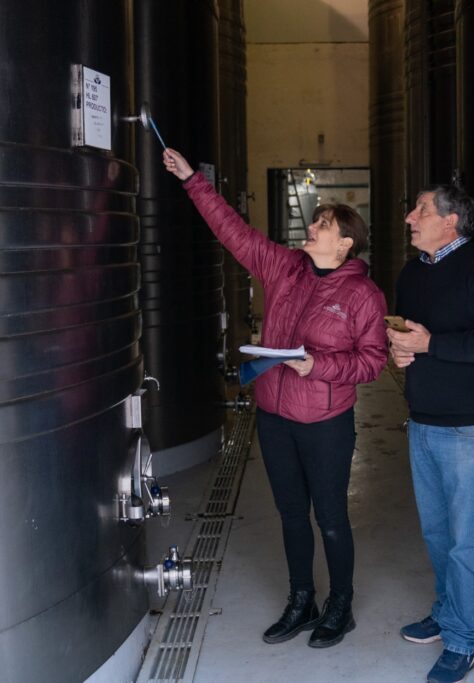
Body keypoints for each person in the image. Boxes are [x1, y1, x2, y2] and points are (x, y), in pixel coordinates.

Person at [162, 148, 388, 648]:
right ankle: (301, 598)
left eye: (324, 223)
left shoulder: (364, 296)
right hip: (275, 417)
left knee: (330, 517)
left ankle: (341, 606)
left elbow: (373, 362)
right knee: (290, 514)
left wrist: (318, 365)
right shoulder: (285, 268)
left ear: (346, 242)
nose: (313, 225)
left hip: (326, 421)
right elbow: (233, 232)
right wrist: (191, 179)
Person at [387, 185, 474, 683]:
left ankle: (463, 641)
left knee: (465, 541)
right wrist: (399, 350)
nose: (409, 218)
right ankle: (447, 615)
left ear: (451, 221)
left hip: (472, 427)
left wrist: (431, 343)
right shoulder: (413, 272)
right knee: (437, 532)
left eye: (420, 210)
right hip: (423, 420)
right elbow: (409, 338)